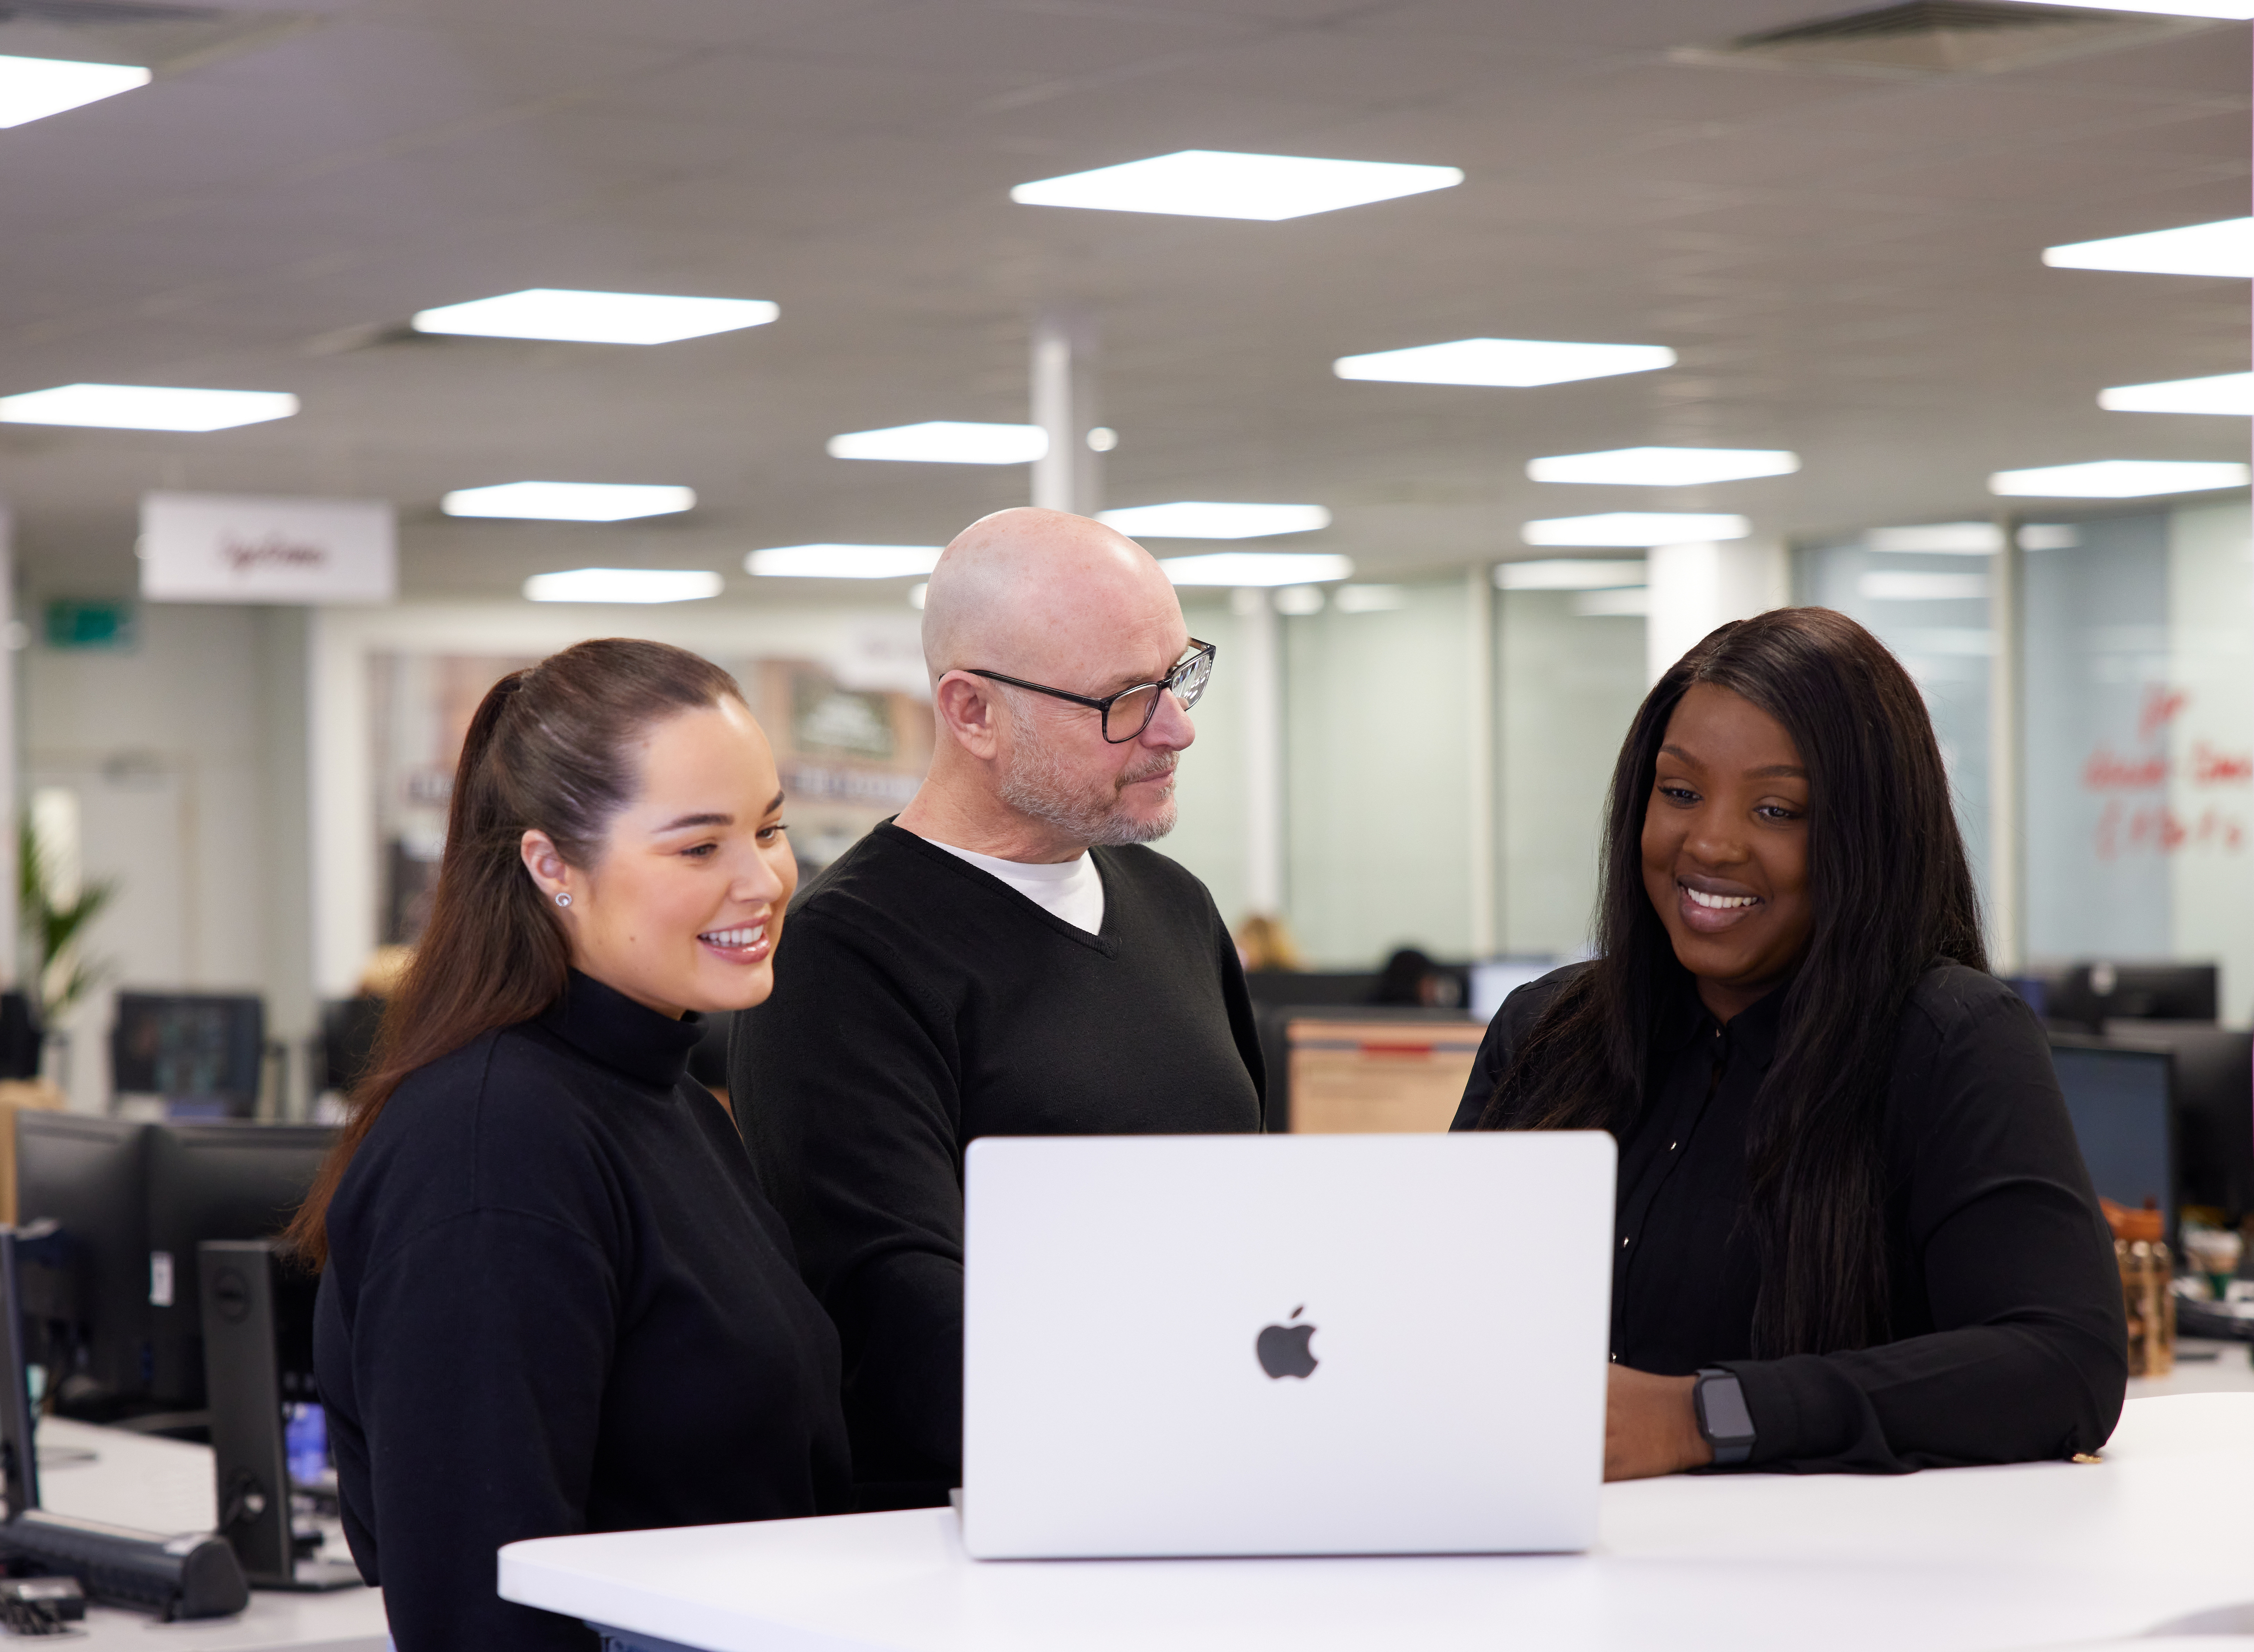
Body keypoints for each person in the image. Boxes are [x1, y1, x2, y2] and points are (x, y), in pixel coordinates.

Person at [1452, 607, 2125, 1479]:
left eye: (1778, 809)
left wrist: (1704, 1417)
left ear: (1867, 836)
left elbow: (2063, 1362)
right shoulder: (1545, 1032)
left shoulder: (1949, 1040)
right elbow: (1444, 1320)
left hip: (1817, 1592)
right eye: (1680, 792)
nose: (1712, 842)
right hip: (1525, 1569)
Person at [289, 640, 849, 1651]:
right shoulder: (493, 1147)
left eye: (769, 829)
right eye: (697, 847)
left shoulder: (662, 1097)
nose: (762, 879)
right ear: (552, 866)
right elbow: (476, 1599)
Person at [732, 506, 1265, 1510]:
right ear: (972, 711)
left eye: (1181, 674)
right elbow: (902, 1321)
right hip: (978, 1533)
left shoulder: (1174, 908)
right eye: (1124, 700)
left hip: (1209, 1485)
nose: (1176, 727)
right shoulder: (845, 955)